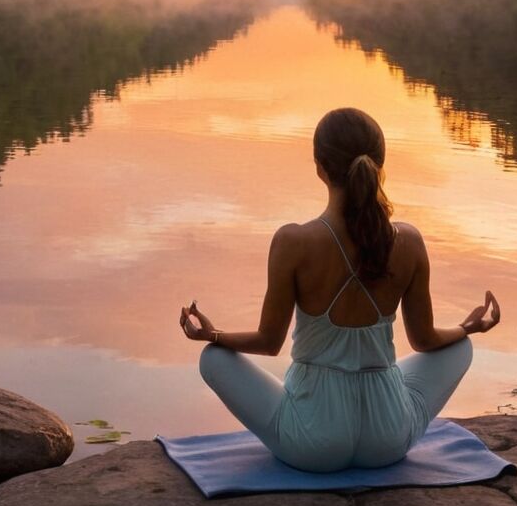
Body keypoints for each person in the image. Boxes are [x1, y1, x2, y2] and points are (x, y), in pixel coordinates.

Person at [179, 107, 500, 473]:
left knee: (212, 358)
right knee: (460, 347)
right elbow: (424, 340)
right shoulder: (408, 241)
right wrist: (468, 327)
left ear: (320, 168)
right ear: (379, 165)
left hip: (312, 443)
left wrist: (212, 334)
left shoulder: (293, 241)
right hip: (388, 439)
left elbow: (269, 342)